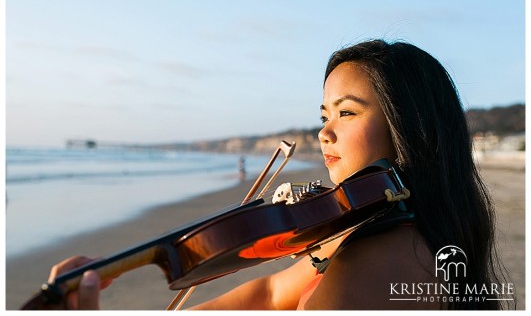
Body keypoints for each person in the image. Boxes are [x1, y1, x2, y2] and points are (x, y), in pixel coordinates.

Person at [47, 39, 512, 310]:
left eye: (346, 113)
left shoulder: (378, 266)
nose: (324, 132)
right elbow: (271, 293)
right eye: (324, 114)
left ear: (408, 125)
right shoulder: (374, 231)